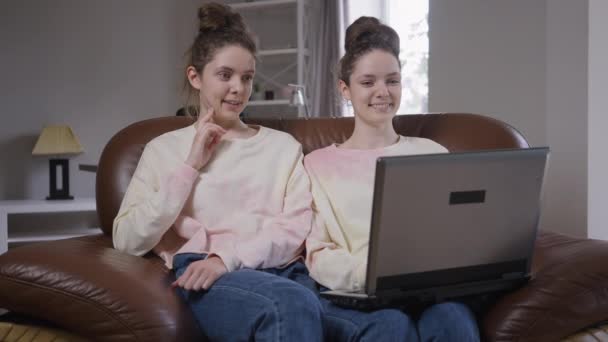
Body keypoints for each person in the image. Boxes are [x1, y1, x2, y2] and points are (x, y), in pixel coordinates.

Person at [112, 3, 323, 341]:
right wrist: (190, 165)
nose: (238, 88)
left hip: (285, 271)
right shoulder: (164, 150)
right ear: (195, 77)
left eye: (247, 77)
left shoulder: (283, 147)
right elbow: (127, 240)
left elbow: (296, 226)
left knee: (386, 323)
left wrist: (229, 257)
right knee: (288, 304)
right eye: (225, 75)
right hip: (209, 277)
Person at [304, 16, 480, 341]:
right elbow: (318, 253)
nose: (382, 92)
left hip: (430, 288)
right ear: (345, 89)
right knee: (390, 326)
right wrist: (369, 275)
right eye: (368, 82)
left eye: (392, 81)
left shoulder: (432, 152)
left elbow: (457, 231)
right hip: (361, 294)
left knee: (452, 320)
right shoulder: (317, 165)